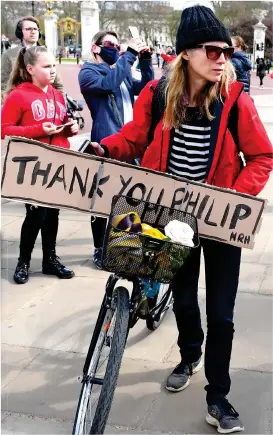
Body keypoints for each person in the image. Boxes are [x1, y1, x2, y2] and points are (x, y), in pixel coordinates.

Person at [90, 5, 273, 433]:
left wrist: (235, 195)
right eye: (213, 51)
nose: (222, 58)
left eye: (226, 51)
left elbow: (262, 156)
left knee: (222, 314)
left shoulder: (234, 99)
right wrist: (104, 149)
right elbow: (134, 138)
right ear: (186, 54)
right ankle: (190, 354)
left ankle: (218, 396)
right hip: (171, 219)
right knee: (186, 301)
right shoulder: (157, 93)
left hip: (220, 220)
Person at [1, 46, 79, 285]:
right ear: (30, 69)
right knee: (36, 214)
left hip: (57, 161)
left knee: (53, 213)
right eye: (47, 66)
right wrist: (36, 130)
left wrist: (71, 127)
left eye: (54, 65)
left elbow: (62, 124)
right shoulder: (18, 95)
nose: (53, 70)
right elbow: (5, 129)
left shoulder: (57, 95)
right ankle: (23, 262)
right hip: (31, 165)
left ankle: (50, 259)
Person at [78, 30, 154, 268]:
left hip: (130, 141)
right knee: (102, 199)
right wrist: (129, 55)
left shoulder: (119, 70)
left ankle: (124, 245)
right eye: (110, 44)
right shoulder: (88, 72)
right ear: (95, 48)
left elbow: (144, 88)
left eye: (118, 45)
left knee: (131, 196)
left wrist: (144, 59)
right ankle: (100, 248)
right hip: (106, 140)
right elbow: (109, 85)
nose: (115, 48)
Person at [1, 16, 63, 92]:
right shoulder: (9, 54)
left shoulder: (47, 53)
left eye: (35, 29)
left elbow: (58, 85)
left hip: (46, 99)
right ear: (20, 32)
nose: (33, 31)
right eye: (28, 29)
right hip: (21, 99)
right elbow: (3, 85)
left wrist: (61, 101)